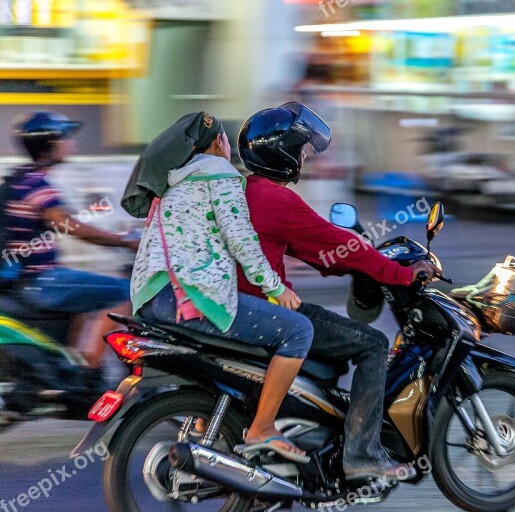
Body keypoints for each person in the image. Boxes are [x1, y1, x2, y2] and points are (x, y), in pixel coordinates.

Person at [236, 103, 439, 481]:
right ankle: (362, 454)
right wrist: (400, 274)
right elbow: (337, 243)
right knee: (374, 343)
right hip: (265, 310)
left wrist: (346, 262)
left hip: (239, 306)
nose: (306, 156)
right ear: (282, 153)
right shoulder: (278, 200)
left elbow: (322, 251)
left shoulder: (243, 193)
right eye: (302, 148)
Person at [128, 112, 314, 462]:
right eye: (227, 141)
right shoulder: (221, 175)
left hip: (150, 298)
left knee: (219, 349)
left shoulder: (174, 181)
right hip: (187, 298)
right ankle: (262, 427)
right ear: (217, 143)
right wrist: (276, 288)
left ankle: (204, 420)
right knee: (298, 330)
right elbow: (241, 241)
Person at [4, 112, 137, 368]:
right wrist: (125, 242)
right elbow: (69, 226)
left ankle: (73, 363)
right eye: (66, 137)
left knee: (90, 296)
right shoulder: (36, 183)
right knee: (126, 293)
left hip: (35, 279)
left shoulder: (22, 178)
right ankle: (87, 372)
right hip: (43, 281)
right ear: (50, 143)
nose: (72, 143)